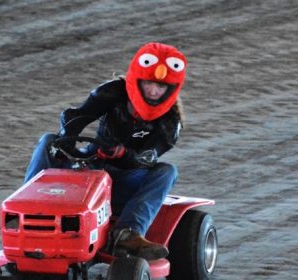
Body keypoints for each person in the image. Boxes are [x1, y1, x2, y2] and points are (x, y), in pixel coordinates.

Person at [24, 42, 187, 260]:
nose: (154, 91)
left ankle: (128, 233)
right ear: (138, 78)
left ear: (171, 89)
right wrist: (67, 140)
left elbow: (148, 158)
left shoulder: (170, 122)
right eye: (149, 83)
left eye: (161, 87)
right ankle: (28, 207)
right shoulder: (113, 92)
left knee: (167, 171)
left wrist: (123, 154)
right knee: (48, 141)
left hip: (125, 179)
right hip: (91, 164)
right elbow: (78, 116)